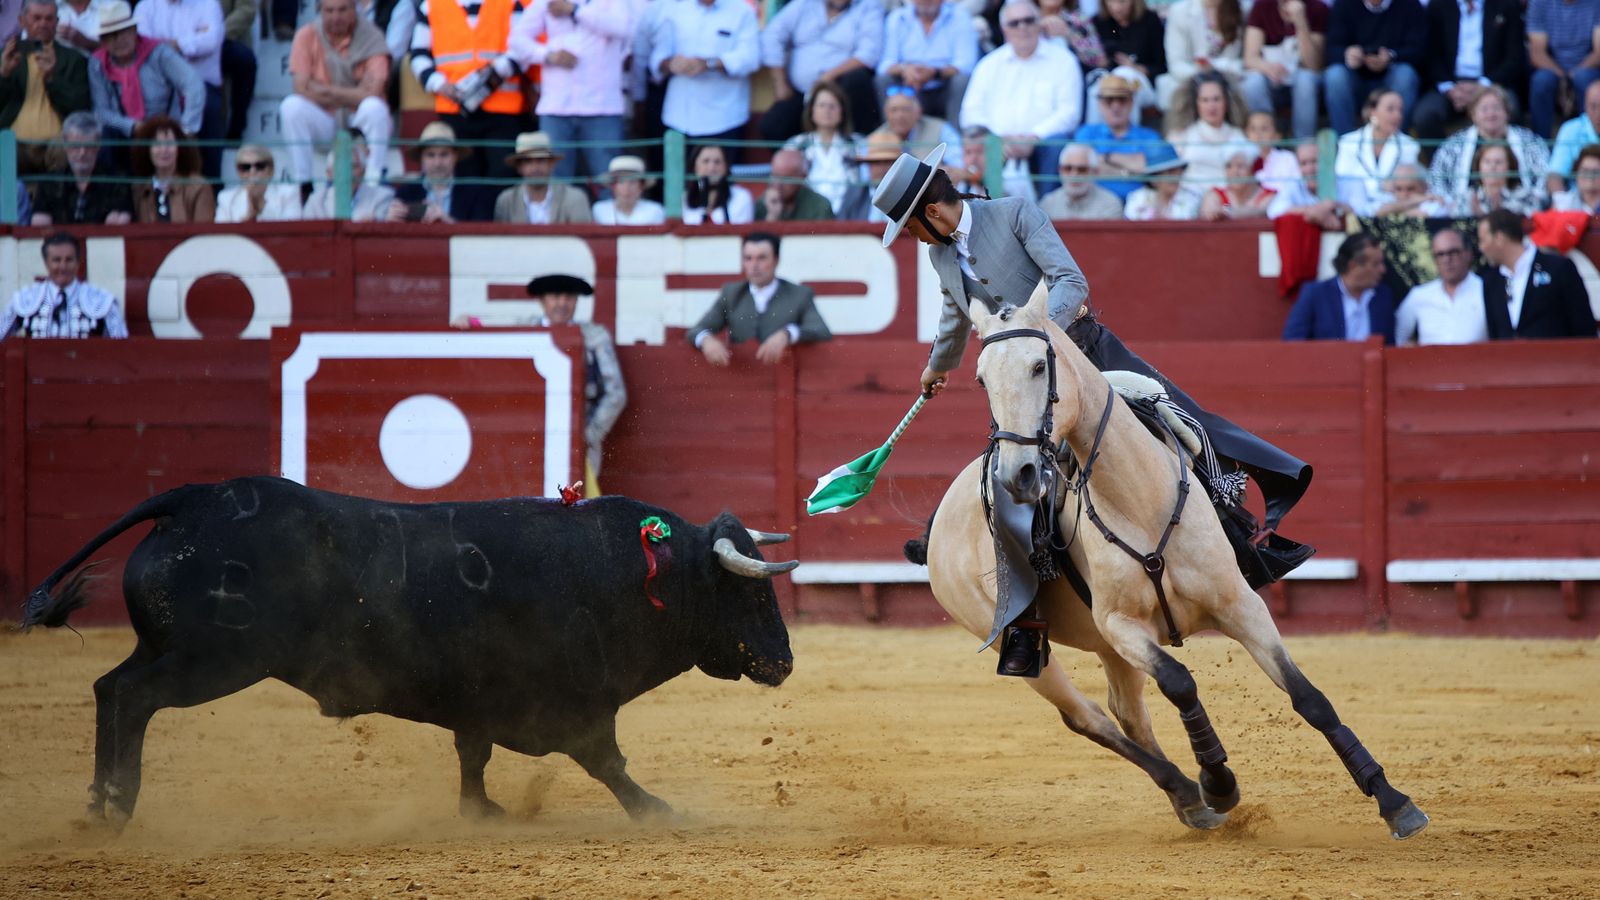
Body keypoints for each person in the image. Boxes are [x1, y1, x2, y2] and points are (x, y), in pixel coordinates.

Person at [871, 143, 1314, 676]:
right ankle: (1027, 623)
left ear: (932, 212)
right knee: (1010, 489)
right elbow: (954, 314)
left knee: (1183, 422)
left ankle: (1244, 541)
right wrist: (937, 365)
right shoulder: (940, 254)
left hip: (1089, 356)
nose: (914, 237)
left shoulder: (1014, 214)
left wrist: (1033, 336)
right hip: (1027, 391)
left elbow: (1072, 282)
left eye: (912, 226)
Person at [960, 1, 1083, 193]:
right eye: (1014, 23)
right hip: (997, 143)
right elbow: (970, 113)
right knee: (980, 145)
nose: (1022, 27)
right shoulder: (989, 64)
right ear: (1004, 29)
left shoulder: (1064, 60)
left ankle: (1047, 215)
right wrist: (999, 138)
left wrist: (1033, 137)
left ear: (1039, 23)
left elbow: (1069, 113)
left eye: (1028, 20)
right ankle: (987, 212)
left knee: (1056, 144)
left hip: (1043, 143)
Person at [507, 0, 632, 185]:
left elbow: (623, 28)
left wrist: (575, 11)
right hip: (557, 107)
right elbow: (516, 40)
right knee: (556, 184)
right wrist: (548, 55)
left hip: (602, 108)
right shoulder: (547, 3)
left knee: (610, 183)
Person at [410, 0, 534, 183]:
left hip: (502, 110)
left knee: (503, 175)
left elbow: (523, 48)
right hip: (455, 108)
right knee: (465, 178)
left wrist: (493, 73)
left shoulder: (510, 3)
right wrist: (439, 84)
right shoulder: (431, 5)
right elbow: (419, 54)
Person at [280, 0, 392, 189]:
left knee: (375, 108)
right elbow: (300, 88)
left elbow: (374, 92)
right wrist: (356, 93)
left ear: (354, 9)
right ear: (320, 11)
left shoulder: (373, 36)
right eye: (329, 10)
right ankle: (303, 184)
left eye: (342, 10)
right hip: (324, 119)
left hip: (358, 122)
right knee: (291, 107)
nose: (336, 17)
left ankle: (373, 182)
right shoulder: (306, 35)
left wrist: (326, 90)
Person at [530, 274, 626, 494]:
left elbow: (616, 394)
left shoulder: (594, 337)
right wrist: (470, 323)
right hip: (531, 439)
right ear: (543, 301)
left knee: (576, 507)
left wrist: (588, 436)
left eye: (569, 298)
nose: (562, 304)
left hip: (581, 442)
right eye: (555, 297)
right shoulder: (525, 331)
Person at [687, 231, 833, 366]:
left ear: (776, 260)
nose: (754, 266)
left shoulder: (799, 294)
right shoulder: (732, 293)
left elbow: (821, 330)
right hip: (741, 379)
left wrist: (786, 334)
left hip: (784, 373)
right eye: (748, 258)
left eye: (762, 258)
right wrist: (706, 340)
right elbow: (696, 330)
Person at [759, 0, 886, 143]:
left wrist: (828, 76)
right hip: (802, 92)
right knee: (772, 125)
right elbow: (771, 36)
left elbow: (868, 55)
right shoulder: (804, 5)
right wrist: (780, 83)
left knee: (857, 80)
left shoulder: (869, 7)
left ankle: (854, 158)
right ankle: (804, 160)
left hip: (843, 91)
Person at [648, 0, 760, 154]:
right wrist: (671, 64)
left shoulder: (742, 11)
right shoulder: (674, 10)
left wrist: (709, 64)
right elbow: (658, 57)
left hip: (723, 118)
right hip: (678, 117)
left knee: (718, 177)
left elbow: (750, 59)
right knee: (676, 175)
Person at [87, 1, 204, 140]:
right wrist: (132, 127)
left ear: (135, 30)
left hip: (166, 132)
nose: (119, 40)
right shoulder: (97, 63)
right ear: (103, 41)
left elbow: (193, 85)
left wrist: (186, 129)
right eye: (111, 36)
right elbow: (101, 111)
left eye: (124, 32)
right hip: (123, 135)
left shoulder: (159, 53)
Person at [135, 0, 225, 179]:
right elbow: (143, 47)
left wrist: (166, 46)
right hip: (160, 86)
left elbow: (210, 41)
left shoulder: (208, 4)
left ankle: (211, 188)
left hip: (203, 83)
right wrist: (189, 42)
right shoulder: (145, 7)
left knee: (211, 108)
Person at [1412, 0, 1525, 143]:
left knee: (1511, 110)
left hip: (1493, 82)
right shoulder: (1438, 5)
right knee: (1425, 116)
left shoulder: (1506, 5)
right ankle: (1443, 162)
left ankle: (1500, 161)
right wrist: (1449, 88)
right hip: (1449, 84)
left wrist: (1483, 86)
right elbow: (1430, 54)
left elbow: (1515, 58)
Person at [1476, 208, 1598, 339]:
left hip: (1557, 358)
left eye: (1483, 240)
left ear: (1499, 238)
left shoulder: (1558, 268)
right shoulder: (1491, 281)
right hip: (1510, 359)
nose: (1481, 247)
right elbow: (1495, 336)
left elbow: (1584, 327)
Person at [0, 0, 92, 172]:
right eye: (36, 18)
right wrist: (4, 75)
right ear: (22, 21)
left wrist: (52, 79)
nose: (43, 23)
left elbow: (80, 107)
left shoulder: (74, 59)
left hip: (56, 146)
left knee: (68, 150)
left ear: (57, 22)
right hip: (13, 144)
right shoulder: (6, 56)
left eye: (49, 19)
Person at [1427, 86, 1550, 210]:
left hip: (1521, 208)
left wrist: (1529, 201)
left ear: (1507, 112)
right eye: (1484, 109)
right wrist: (1454, 205)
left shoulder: (1530, 142)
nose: (1491, 114)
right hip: (1464, 210)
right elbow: (1437, 181)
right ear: (1473, 114)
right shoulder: (1453, 146)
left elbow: (1544, 177)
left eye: (1496, 108)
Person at [1322, 0, 1425, 135]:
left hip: (1391, 77)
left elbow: (1420, 50)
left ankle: (1397, 143)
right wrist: (1348, 54)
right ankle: (1345, 144)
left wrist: (1391, 56)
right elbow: (1331, 49)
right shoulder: (1344, 4)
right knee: (1335, 76)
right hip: (1355, 79)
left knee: (1405, 75)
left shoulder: (1410, 5)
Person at [2, 231, 127, 339]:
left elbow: (122, 348)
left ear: (78, 262)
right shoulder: (24, 299)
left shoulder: (102, 300)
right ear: (46, 263)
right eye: (56, 260)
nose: (63, 267)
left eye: (69, 260)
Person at [876, 0, 977, 127]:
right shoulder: (897, 18)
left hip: (944, 86)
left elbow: (966, 64)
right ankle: (890, 138)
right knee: (883, 80)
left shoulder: (960, 16)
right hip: (909, 87)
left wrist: (934, 73)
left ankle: (958, 139)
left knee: (962, 80)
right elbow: (884, 65)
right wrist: (905, 70)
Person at [1281, 232, 1396, 342]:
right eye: (1375, 264)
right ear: (1353, 265)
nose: (1383, 270)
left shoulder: (1383, 295)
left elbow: (1389, 345)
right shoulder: (1315, 294)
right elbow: (1293, 341)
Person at [1240, 0, 1327, 139]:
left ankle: (1302, 144)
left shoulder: (1317, 8)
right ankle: (1265, 143)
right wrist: (1268, 68)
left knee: (1305, 81)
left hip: (1302, 80)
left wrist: (1301, 23)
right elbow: (1250, 58)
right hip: (1272, 79)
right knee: (1252, 84)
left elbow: (1313, 65)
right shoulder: (1262, 6)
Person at [1075, 73, 1169, 200]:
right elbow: (1082, 169)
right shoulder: (1086, 133)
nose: (1116, 106)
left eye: (1122, 100)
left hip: (1138, 206)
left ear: (1131, 102)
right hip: (1095, 205)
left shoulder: (1149, 136)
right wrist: (1131, 168)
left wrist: (1106, 158)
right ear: (1100, 103)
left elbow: (1153, 171)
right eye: (1109, 100)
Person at [27, 111, 131, 224]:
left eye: (88, 146)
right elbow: (39, 223)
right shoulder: (49, 183)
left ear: (98, 146)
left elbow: (121, 221)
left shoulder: (116, 180)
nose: (82, 153)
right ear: (65, 144)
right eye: (76, 146)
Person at [781, 81, 864, 216]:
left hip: (849, 215)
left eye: (832, 106)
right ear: (812, 111)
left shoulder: (858, 144)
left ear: (841, 112)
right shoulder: (796, 145)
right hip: (808, 216)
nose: (827, 111)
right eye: (822, 105)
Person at [389, 120, 497, 222]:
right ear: (421, 158)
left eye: (444, 154)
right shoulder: (406, 192)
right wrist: (391, 220)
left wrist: (447, 222)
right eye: (431, 155)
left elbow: (481, 236)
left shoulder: (476, 193)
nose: (437, 163)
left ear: (455, 156)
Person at [1333, 87, 1419, 216]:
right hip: (1354, 211)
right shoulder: (1348, 143)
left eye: (1400, 110)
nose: (1398, 115)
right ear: (1373, 112)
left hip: (1393, 211)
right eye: (1390, 109)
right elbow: (1343, 182)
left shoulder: (1409, 146)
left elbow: (1406, 186)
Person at [1395, 228, 1487, 345]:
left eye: (1453, 252)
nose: (1447, 259)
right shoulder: (1419, 295)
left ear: (1468, 254)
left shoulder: (1485, 290)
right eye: (1440, 254)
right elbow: (1397, 338)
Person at [1164, 70, 1251, 193]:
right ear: (1196, 103)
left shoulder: (1238, 136)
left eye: (1216, 99)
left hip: (1226, 200)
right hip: (1188, 198)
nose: (1211, 106)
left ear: (1226, 102)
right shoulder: (1181, 134)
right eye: (1205, 100)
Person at [1527, 0, 1600, 139]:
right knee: (1541, 81)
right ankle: (1541, 144)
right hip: (1551, 68)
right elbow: (1537, 54)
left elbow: (1598, 53)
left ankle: (1590, 143)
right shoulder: (1539, 3)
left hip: (1588, 68)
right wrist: (1563, 78)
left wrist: (1572, 76)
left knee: (1585, 80)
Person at [1157, 0, 1244, 110]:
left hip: (1228, 75)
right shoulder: (1180, 11)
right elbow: (1176, 64)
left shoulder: (1239, 9)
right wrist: (1202, 72)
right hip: (1190, 76)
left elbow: (1238, 60)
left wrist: (1215, 67)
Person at [492, 129, 593, 224]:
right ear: (519, 167)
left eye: (540, 160)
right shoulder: (506, 200)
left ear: (551, 164)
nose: (535, 168)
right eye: (528, 162)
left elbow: (583, 239)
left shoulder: (574, 198)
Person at [129, 114, 213, 222]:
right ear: (147, 150)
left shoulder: (199, 187)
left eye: (169, 143)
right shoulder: (138, 189)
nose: (164, 150)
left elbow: (203, 234)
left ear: (180, 148)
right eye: (157, 144)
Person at [303, 128, 395, 219]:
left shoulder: (383, 197)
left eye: (354, 167)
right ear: (329, 173)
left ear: (364, 171)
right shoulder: (315, 202)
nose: (348, 173)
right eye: (341, 167)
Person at [1093, 0, 1166, 113]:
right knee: (1097, 88)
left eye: (1122, 2)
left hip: (1142, 83)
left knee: (1124, 77)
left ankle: (1126, 129)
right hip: (1107, 78)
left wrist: (1135, 68)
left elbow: (1162, 66)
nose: (1116, 8)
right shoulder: (1099, 22)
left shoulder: (1149, 20)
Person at [1264, 137, 1347, 227]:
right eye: (1303, 163)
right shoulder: (1294, 184)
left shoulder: (1347, 182)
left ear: (1329, 162)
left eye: (1315, 161)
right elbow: (1273, 210)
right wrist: (1313, 210)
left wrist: (1335, 205)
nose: (1309, 169)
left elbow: (1361, 210)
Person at [216, 143, 303, 222]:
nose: (252, 171)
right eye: (245, 167)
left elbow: (292, 229)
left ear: (271, 170)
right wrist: (247, 220)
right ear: (239, 172)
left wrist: (262, 210)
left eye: (259, 166)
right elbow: (221, 236)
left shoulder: (288, 194)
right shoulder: (226, 199)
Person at [1037, 143, 1125, 219]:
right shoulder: (1047, 205)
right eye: (1068, 169)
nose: (1074, 175)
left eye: (1082, 170)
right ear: (1059, 170)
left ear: (1095, 172)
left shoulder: (1110, 205)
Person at [880, 87, 961, 167]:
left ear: (919, 111)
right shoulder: (876, 138)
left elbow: (958, 164)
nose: (900, 116)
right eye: (894, 110)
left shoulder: (940, 129)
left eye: (906, 109)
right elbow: (868, 175)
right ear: (886, 114)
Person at [1454, 143, 1541, 217]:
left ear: (1510, 167)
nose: (1492, 167)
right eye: (1487, 162)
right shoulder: (1464, 199)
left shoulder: (1527, 198)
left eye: (1498, 162)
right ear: (1478, 167)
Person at [757, 147, 837, 221]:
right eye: (774, 176)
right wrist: (772, 216)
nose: (778, 184)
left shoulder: (820, 206)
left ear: (802, 177)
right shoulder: (763, 203)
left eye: (786, 179)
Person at [680, 143, 754, 224]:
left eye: (717, 162)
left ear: (726, 167)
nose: (711, 168)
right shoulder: (683, 199)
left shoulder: (741, 197)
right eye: (706, 161)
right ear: (695, 167)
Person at [1551, 82, 1600, 195]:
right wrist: (1562, 203)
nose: (1598, 113)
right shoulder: (1570, 129)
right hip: (1578, 204)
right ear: (1585, 107)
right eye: (1593, 106)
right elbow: (1555, 176)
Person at [1199, 146, 1273, 219]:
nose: (1234, 172)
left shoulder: (1268, 196)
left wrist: (1227, 212)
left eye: (1240, 166)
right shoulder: (1215, 195)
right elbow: (1208, 213)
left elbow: (1260, 211)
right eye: (1228, 166)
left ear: (1253, 170)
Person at [218, 0, 255, 142]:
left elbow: (246, 10)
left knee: (244, 59)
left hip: (226, 36)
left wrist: (217, 34)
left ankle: (236, 126)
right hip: (185, 41)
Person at [590, 154, 665, 225]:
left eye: (632, 182)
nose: (627, 187)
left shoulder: (655, 210)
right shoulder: (599, 210)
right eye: (621, 181)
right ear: (613, 186)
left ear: (641, 186)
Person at [1124, 153, 1201, 219]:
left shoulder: (1191, 198)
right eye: (1170, 173)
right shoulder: (1137, 197)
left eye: (1179, 172)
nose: (1176, 177)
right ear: (1154, 179)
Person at [1371, 162, 1448, 217]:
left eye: (1410, 189)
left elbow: (1424, 217)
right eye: (1399, 189)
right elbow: (1379, 213)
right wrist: (1416, 200)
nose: (1404, 194)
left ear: (1424, 187)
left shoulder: (1436, 203)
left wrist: (1393, 210)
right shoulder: (1387, 198)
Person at [1551, 143, 1600, 213]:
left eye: (1595, 172)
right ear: (1577, 172)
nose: (1589, 176)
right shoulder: (1562, 204)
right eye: (1585, 171)